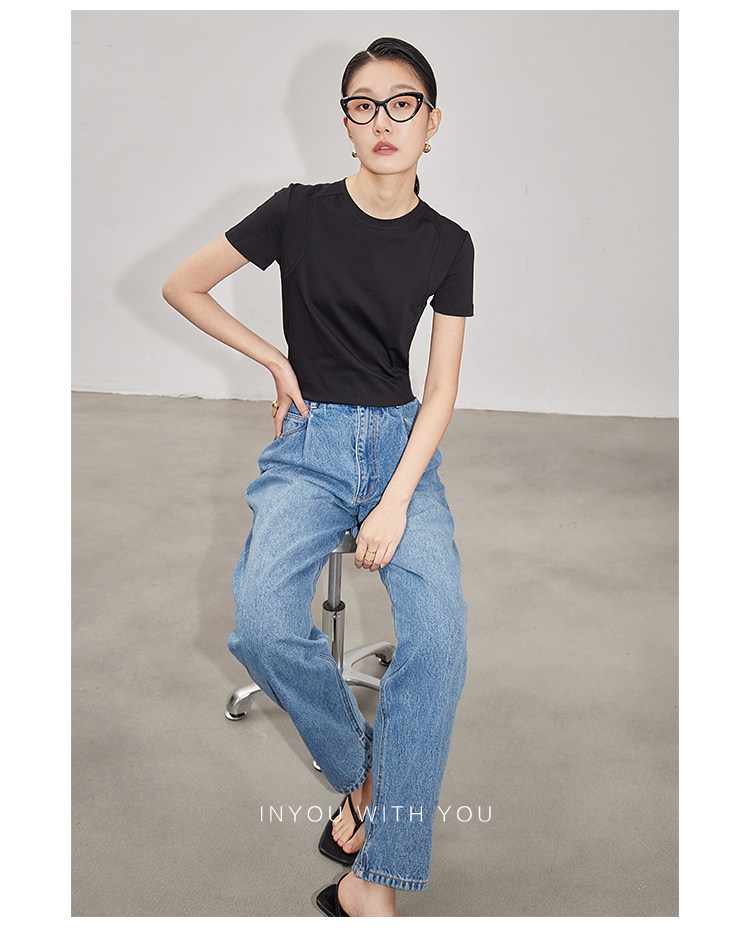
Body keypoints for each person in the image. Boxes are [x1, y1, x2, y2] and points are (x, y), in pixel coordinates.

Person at [162, 36, 475, 918]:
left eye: (403, 103)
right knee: (263, 621)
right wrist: (274, 359)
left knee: (442, 643)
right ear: (345, 123)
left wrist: (397, 499)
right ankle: (365, 780)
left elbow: (442, 389)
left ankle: (373, 881)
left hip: (403, 447)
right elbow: (184, 285)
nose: (384, 120)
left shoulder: (449, 243)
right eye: (363, 105)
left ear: (432, 122)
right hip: (311, 442)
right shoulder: (297, 211)